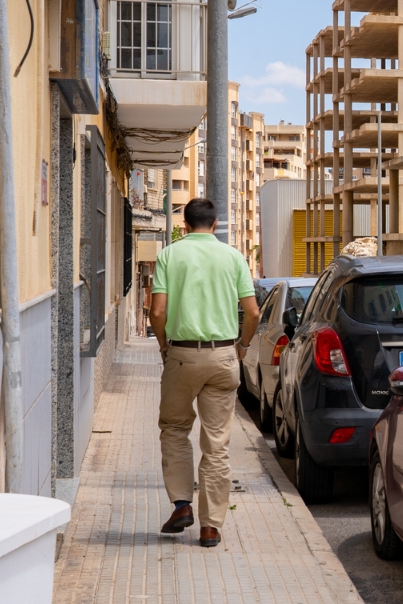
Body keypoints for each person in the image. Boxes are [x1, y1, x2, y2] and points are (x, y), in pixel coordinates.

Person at [149, 198, 259, 548]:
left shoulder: (170, 254)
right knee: (217, 445)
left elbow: (157, 312)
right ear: (215, 225)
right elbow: (253, 313)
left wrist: (165, 347)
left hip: (182, 354)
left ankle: (182, 505)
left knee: (175, 429)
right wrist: (241, 346)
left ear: (184, 225)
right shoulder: (233, 257)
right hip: (224, 356)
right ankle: (211, 527)